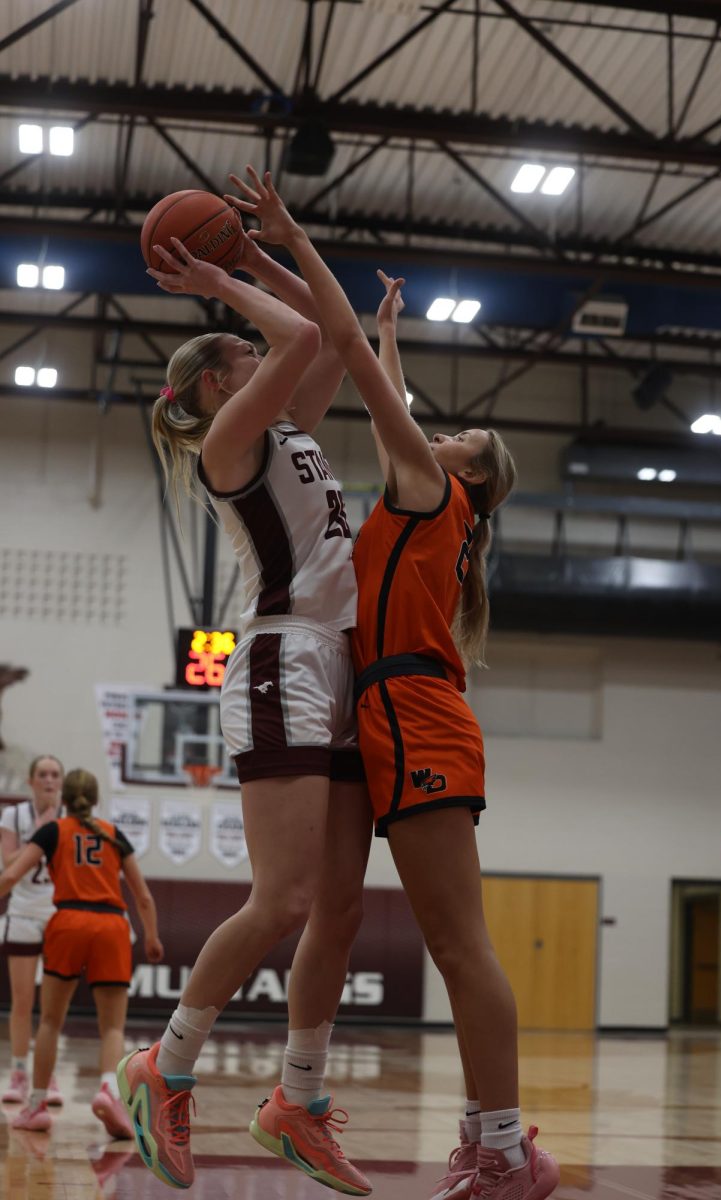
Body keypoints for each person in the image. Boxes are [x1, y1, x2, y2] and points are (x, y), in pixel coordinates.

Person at [228, 166, 560, 1200]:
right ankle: (453, 1127)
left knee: (458, 947)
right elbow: (392, 406)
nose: (440, 430)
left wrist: (281, 240)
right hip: (394, 713)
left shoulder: (428, 488)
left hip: (411, 712)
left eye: (457, 437)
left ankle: (503, 1149)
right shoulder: (434, 503)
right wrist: (388, 330)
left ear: (465, 473)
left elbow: (381, 407)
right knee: (370, 920)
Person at [118, 226, 372, 1194]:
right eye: (245, 353)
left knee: (339, 911)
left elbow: (327, 336)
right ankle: (164, 1063)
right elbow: (301, 344)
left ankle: (295, 1104)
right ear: (223, 385)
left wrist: (274, 258)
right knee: (284, 901)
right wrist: (222, 278)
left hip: (338, 666)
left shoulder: (284, 433)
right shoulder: (229, 442)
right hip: (280, 663)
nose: (264, 353)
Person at [0, 768, 163, 1138]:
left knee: (50, 1021)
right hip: (111, 926)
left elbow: (11, 877)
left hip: (68, 922)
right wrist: (152, 937)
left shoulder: (53, 830)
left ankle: (37, 1104)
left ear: (66, 800)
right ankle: (108, 1091)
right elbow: (143, 895)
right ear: (96, 798)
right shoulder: (113, 833)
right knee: (113, 1026)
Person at [1, 754, 64, 1106]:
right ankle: (19, 1071)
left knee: (51, 1007)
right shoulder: (14, 815)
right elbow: (10, 864)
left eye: (55, 774)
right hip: (23, 914)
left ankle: (47, 1073)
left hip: (59, 916)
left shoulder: (71, 818)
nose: (49, 780)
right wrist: (42, 831)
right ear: (31, 780)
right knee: (22, 1001)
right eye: (42, 774)